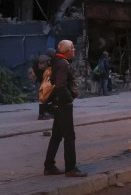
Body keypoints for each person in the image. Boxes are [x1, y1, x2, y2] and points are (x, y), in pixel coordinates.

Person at [43, 40, 87, 177]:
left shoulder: (57, 62)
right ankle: (71, 168)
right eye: (73, 48)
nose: (74, 50)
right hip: (63, 105)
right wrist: (69, 99)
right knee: (69, 136)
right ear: (67, 51)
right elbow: (61, 85)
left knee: (56, 136)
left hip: (57, 104)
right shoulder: (62, 64)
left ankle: (49, 166)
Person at [29, 50, 54, 120]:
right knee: (43, 96)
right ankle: (42, 113)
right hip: (42, 82)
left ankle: (49, 111)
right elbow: (32, 70)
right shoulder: (40, 63)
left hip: (47, 82)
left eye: (42, 63)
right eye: (40, 63)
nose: (40, 65)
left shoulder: (51, 64)